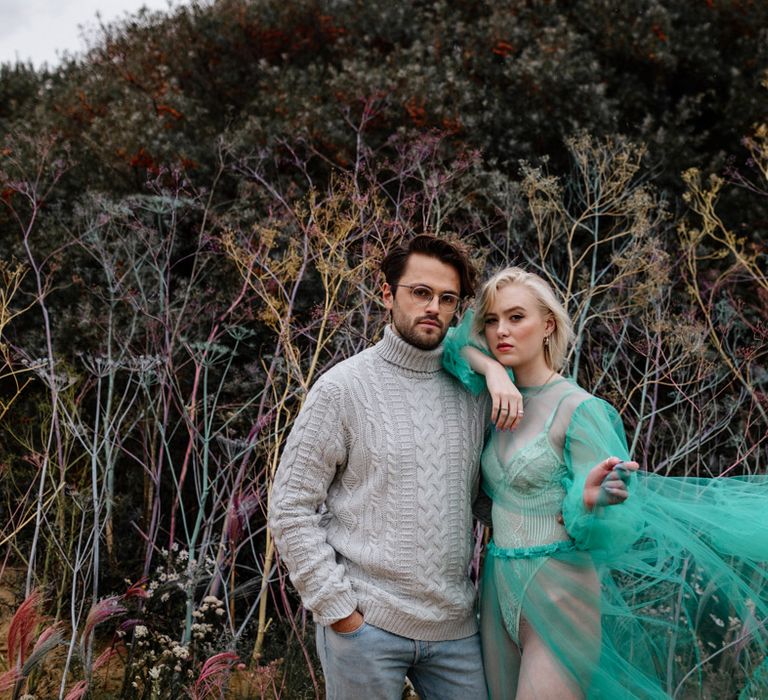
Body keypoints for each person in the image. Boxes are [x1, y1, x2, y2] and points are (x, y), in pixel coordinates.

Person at [442, 266, 768, 699]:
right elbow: (448, 345)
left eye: (516, 317)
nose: (502, 330)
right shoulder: (498, 398)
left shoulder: (582, 408)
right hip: (498, 586)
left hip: (559, 589)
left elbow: (614, 524)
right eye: (492, 320)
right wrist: (493, 371)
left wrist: (589, 500)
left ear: (548, 325)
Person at [269, 234, 512, 700]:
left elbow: (483, 500)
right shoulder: (343, 388)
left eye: (447, 298)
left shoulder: (473, 393)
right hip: (366, 626)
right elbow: (290, 506)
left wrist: (562, 511)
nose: (433, 308)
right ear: (387, 294)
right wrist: (340, 610)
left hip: (457, 629)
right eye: (420, 292)